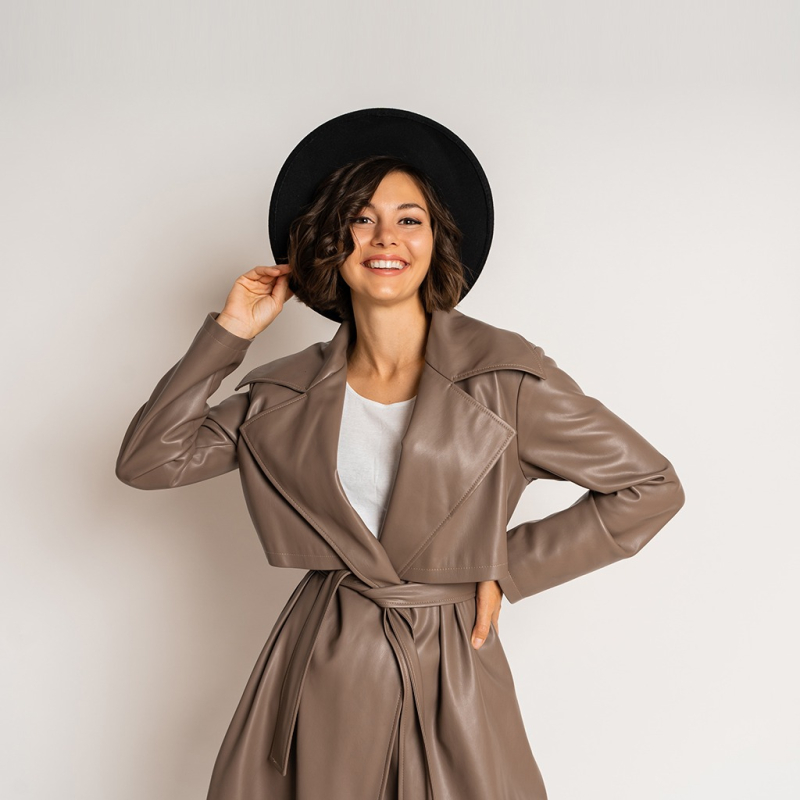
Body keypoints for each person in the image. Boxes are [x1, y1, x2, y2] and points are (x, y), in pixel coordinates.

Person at [116, 108, 685, 800]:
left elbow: (649, 485)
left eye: (409, 219)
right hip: (321, 659)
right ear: (332, 240)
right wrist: (230, 334)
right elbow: (150, 460)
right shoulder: (284, 392)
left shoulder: (502, 378)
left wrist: (505, 569)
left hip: (449, 669)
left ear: (436, 240)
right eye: (361, 218)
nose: (385, 237)